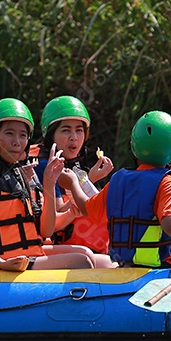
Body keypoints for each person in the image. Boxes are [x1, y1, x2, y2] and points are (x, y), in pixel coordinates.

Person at [65, 111, 171, 267]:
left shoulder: (118, 180)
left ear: (134, 147)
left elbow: (86, 207)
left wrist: (73, 183)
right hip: (166, 262)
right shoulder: (167, 182)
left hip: (126, 264)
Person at [0, 98, 94, 272]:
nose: (17, 142)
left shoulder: (25, 173)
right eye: (9, 133)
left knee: (86, 255)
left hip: (28, 256)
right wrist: (0, 263)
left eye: (23, 135)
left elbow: (46, 231)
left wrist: (49, 182)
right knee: (82, 262)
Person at [33, 95, 114, 265]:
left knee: (111, 262)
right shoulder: (43, 166)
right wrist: (79, 184)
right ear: (51, 135)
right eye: (65, 130)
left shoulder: (75, 167)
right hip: (49, 245)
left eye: (79, 130)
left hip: (72, 244)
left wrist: (90, 178)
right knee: (102, 262)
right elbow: (55, 218)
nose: (74, 137)